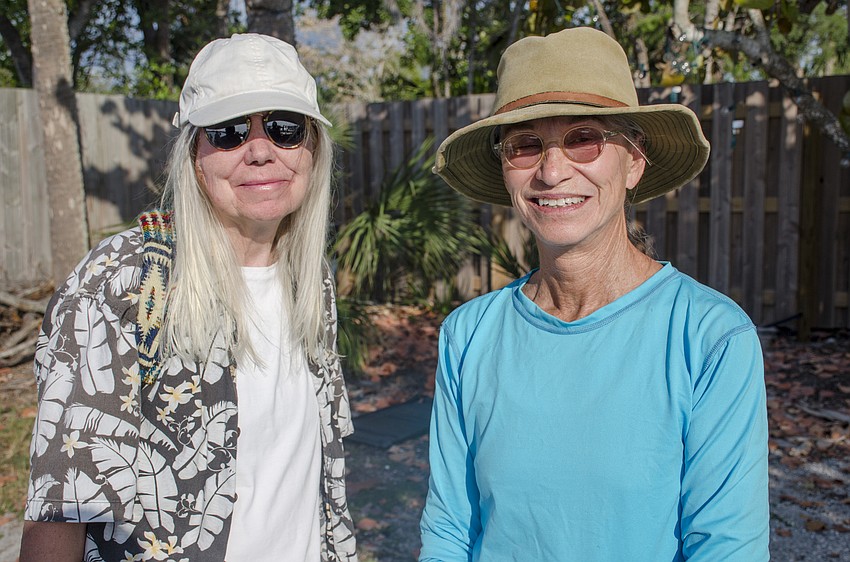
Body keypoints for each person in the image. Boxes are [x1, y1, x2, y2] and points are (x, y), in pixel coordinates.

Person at [418, 27, 769, 561]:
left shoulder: (710, 337)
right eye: (526, 145)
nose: (553, 171)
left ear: (634, 161)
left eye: (584, 138)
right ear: (505, 170)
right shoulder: (468, 335)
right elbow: (448, 529)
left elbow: (727, 548)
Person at [20, 33, 358, 561]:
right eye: (228, 132)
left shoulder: (311, 279)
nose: (261, 150)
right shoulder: (123, 280)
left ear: (313, 148)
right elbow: (63, 504)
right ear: (194, 156)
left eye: (285, 128)